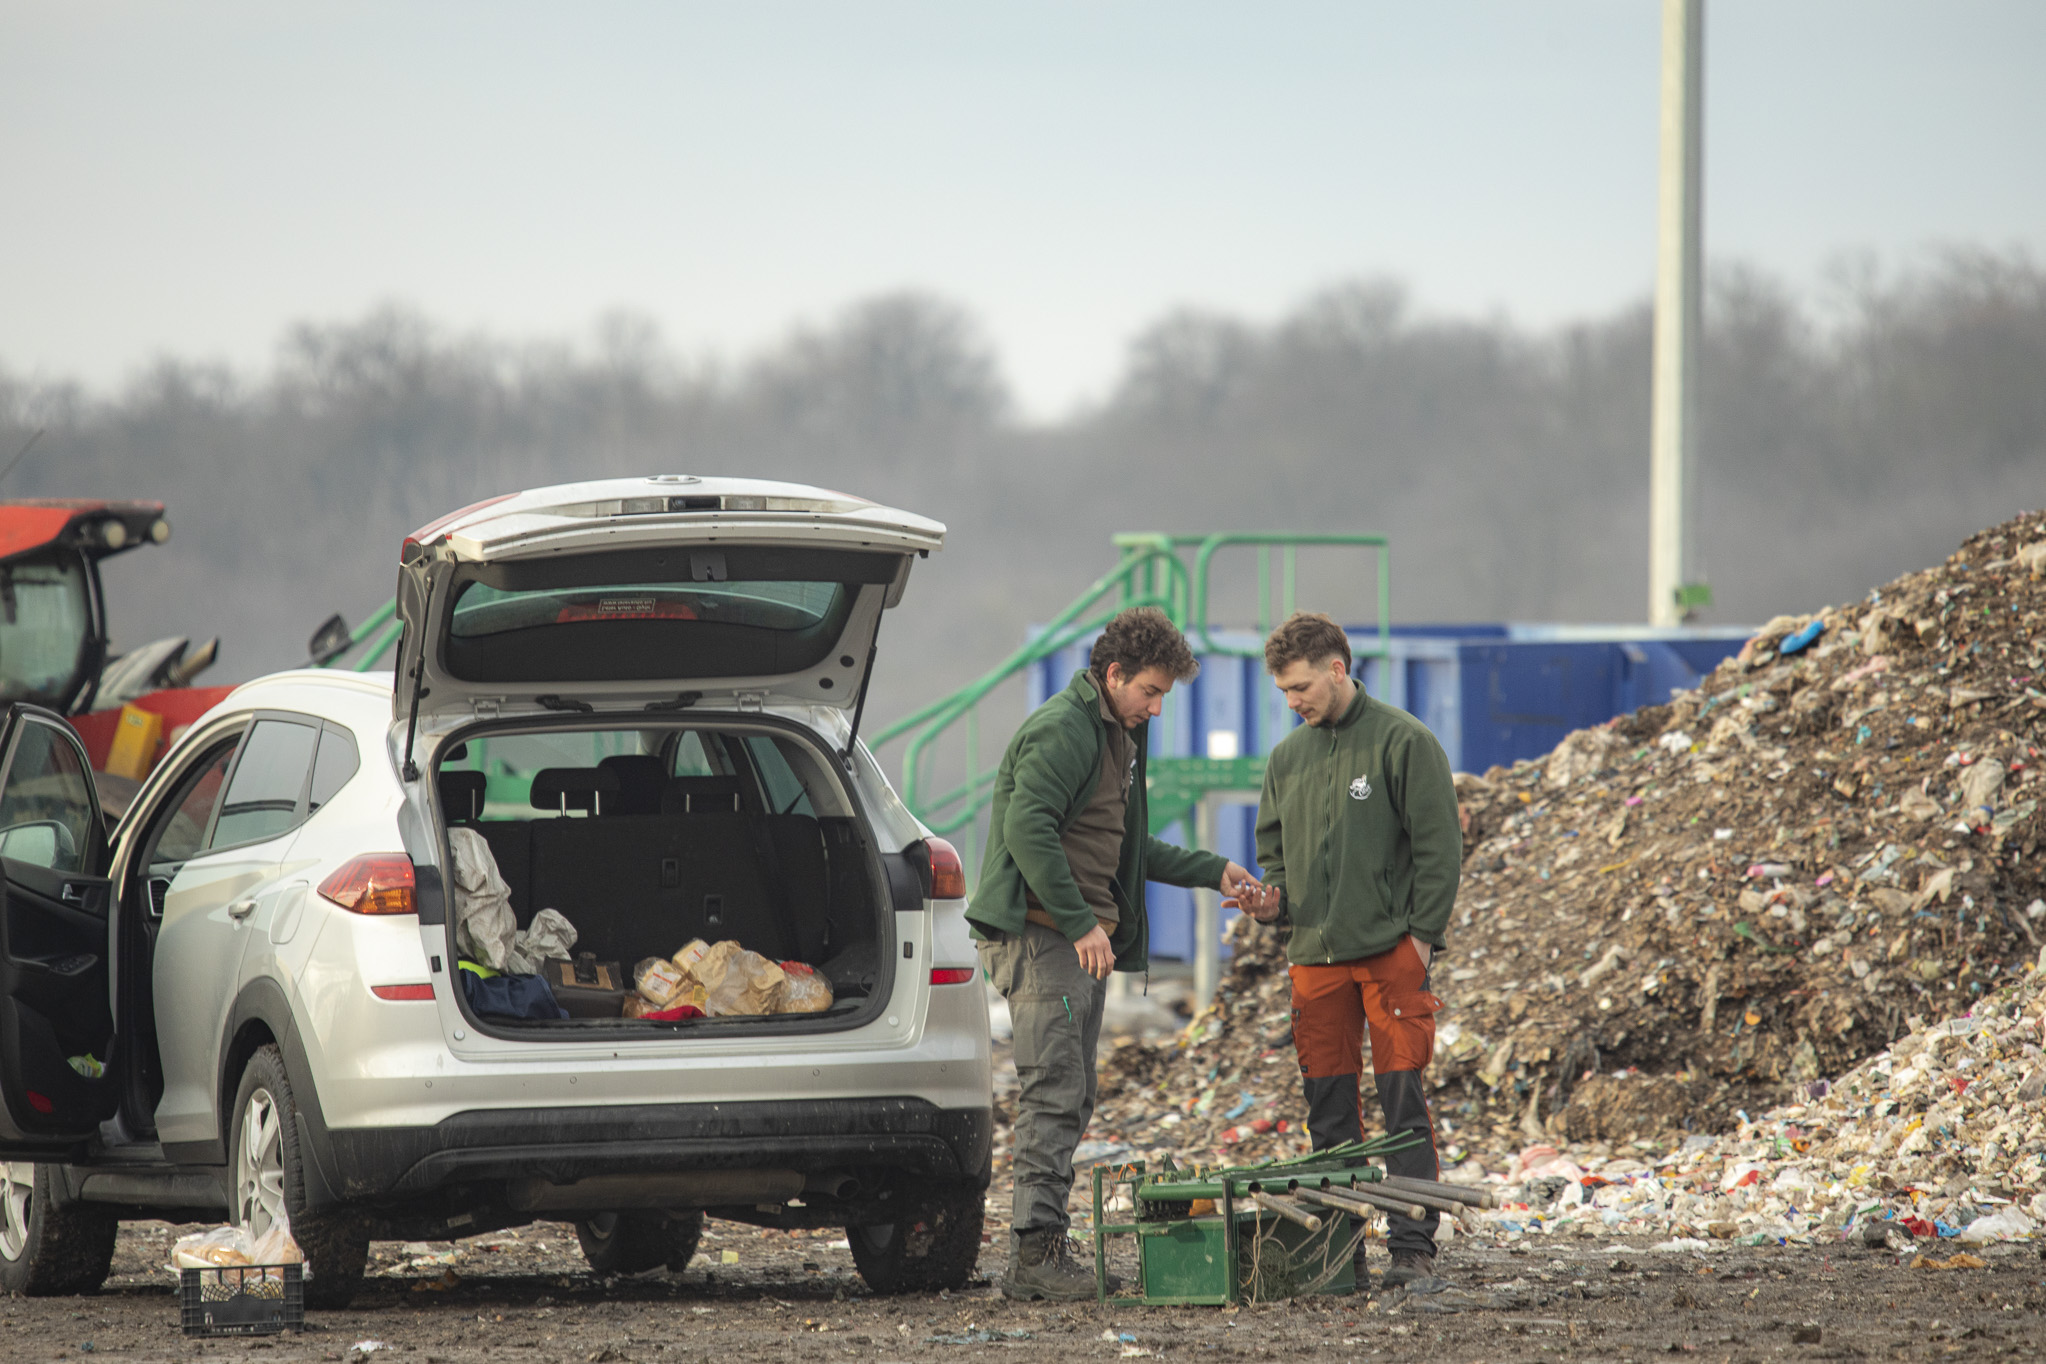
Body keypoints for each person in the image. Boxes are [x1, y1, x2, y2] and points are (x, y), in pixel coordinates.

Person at [969, 606, 1262, 1301]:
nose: (1158, 708)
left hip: (1074, 940)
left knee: (1075, 1093)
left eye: (1164, 695)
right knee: (1054, 1090)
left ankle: (1043, 1245)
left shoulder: (1119, 736)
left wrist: (1213, 869)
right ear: (1114, 674)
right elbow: (1025, 827)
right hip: (1044, 937)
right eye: (1151, 692)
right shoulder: (1066, 730)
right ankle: (1034, 1257)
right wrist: (1079, 922)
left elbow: (1128, 847)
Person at [1233, 611, 1461, 1289]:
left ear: (1337, 669)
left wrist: (1420, 943)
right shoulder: (1287, 758)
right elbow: (1272, 854)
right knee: (1329, 1114)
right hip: (1314, 964)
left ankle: (1413, 1249)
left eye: (1301, 686)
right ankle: (1340, 1255)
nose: (1293, 701)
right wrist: (1271, 902)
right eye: (1283, 692)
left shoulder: (1404, 742)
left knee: (1401, 1106)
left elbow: (1439, 850)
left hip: (1391, 958)